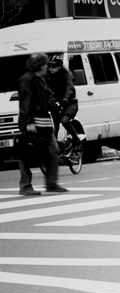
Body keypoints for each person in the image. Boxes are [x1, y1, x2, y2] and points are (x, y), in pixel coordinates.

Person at [16, 53, 63, 196]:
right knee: (25, 153)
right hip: (32, 121)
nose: (47, 67)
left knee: (53, 150)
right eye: (45, 64)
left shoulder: (40, 79)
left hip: (44, 121)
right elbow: (25, 102)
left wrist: (50, 103)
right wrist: (28, 122)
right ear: (38, 65)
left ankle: (51, 183)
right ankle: (25, 185)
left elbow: (49, 94)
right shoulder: (27, 80)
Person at [46, 54, 81, 151]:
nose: (51, 69)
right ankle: (55, 147)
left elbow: (69, 88)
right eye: (49, 66)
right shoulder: (48, 75)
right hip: (56, 103)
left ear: (60, 66)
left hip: (69, 103)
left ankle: (76, 139)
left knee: (64, 121)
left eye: (54, 66)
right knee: (54, 126)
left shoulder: (66, 74)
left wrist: (66, 98)